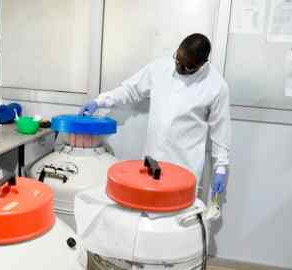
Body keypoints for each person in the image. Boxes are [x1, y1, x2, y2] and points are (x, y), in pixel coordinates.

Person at [79, 33, 231, 197]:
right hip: (153, 162)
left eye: (186, 66)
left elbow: (220, 128)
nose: (178, 67)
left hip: (186, 167)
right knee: (148, 213)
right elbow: (131, 90)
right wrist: (100, 101)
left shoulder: (216, 86)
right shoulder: (160, 68)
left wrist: (221, 166)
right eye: (177, 60)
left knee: (177, 217)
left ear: (201, 64)